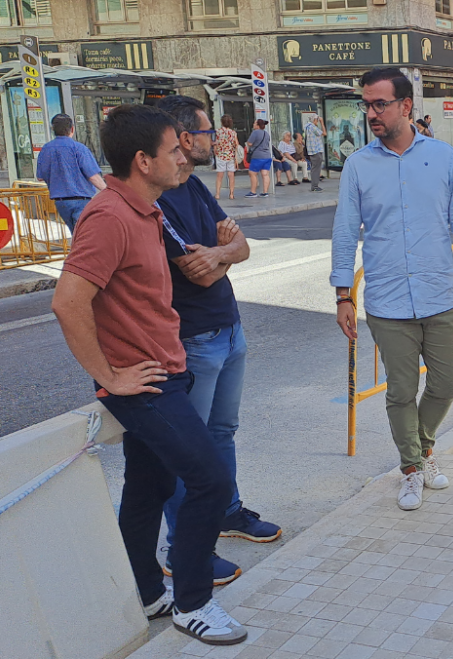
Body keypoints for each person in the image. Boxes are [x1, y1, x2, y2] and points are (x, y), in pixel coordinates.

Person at [50, 104, 247, 646]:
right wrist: (109, 377)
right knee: (209, 479)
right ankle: (193, 603)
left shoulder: (148, 208)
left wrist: (228, 247)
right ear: (142, 161)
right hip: (145, 384)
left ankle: (144, 591)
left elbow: (216, 257)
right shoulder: (109, 215)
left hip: (169, 368)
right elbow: (68, 303)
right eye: (173, 150)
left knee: (148, 486)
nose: (185, 155)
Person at [331, 67, 453, 511]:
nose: (371, 114)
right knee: (399, 391)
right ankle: (412, 468)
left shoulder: (443, 156)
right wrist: (343, 294)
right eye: (367, 105)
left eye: (380, 104)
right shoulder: (358, 164)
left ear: (405, 106)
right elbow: (344, 232)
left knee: (447, 382)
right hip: (387, 301)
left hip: (439, 294)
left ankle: (423, 446)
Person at [153, 95, 282, 587]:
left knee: (222, 433)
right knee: (189, 448)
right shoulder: (161, 197)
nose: (214, 140)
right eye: (208, 133)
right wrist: (225, 250)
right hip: (194, 339)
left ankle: (225, 513)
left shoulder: (195, 186)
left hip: (229, 330)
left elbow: (239, 246)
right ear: (186, 139)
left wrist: (223, 250)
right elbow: (200, 272)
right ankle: (184, 546)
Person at [35, 113, 106, 232]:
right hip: (81, 201)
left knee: (77, 234)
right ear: (72, 129)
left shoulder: (46, 149)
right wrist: (108, 190)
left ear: (53, 130)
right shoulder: (78, 148)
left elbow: (40, 177)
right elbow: (93, 176)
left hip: (61, 202)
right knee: (85, 235)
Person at [213, 115, 238, 201]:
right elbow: (236, 144)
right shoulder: (233, 133)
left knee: (220, 175)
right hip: (230, 155)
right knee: (231, 175)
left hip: (220, 155)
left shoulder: (217, 132)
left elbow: (215, 144)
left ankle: (217, 194)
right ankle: (231, 194)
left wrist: (216, 152)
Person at [245, 119, 272, 198]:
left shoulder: (255, 132)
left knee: (252, 173)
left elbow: (250, 143)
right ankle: (265, 192)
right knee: (265, 174)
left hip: (257, 156)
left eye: (254, 123)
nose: (253, 124)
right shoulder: (266, 133)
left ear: (257, 125)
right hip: (267, 156)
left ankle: (253, 192)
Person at [304, 114, 327, 192]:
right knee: (316, 169)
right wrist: (322, 123)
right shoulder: (312, 127)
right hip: (316, 150)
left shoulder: (307, 127)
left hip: (312, 151)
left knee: (314, 168)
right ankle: (315, 186)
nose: (318, 121)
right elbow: (324, 133)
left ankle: (314, 185)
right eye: (317, 120)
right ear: (314, 120)